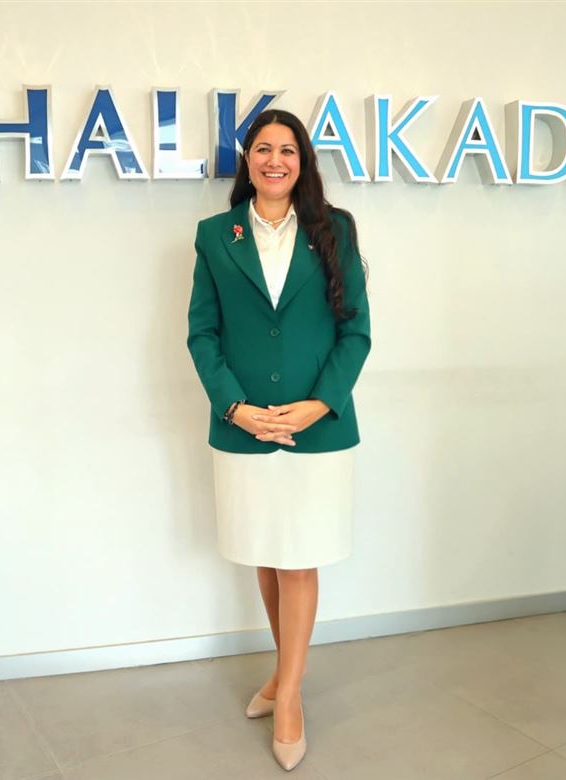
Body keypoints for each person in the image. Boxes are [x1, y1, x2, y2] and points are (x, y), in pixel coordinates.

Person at [185, 108, 371, 771]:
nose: (274, 160)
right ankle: (282, 672)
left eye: (287, 150)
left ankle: (288, 694)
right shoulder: (216, 235)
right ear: (248, 161)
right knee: (266, 556)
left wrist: (317, 405)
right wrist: (235, 408)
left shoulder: (334, 230)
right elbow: (202, 333)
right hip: (244, 428)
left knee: (298, 559)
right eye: (263, 149)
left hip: (317, 430)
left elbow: (356, 331)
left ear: (303, 161)